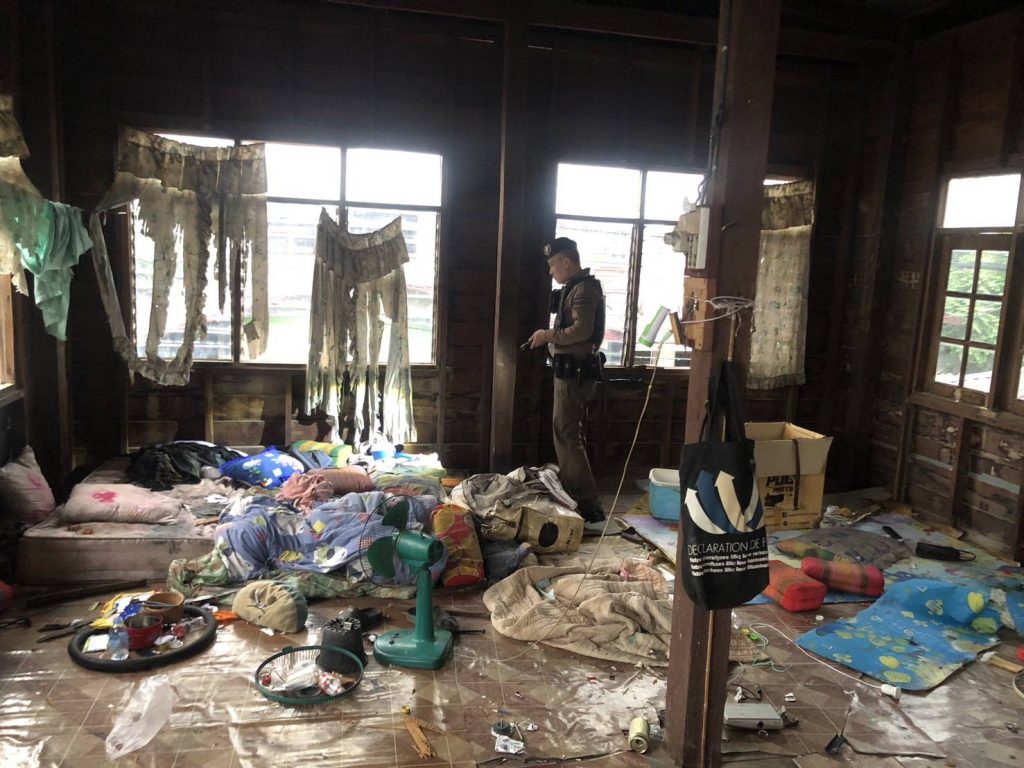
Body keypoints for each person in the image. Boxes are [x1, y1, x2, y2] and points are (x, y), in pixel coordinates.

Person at [528, 237, 606, 523]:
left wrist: (547, 335)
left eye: (553, 265)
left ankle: (586, 504)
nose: (551, 272)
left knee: (566, 434)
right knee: (568, 433)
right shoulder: (575, 288)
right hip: (569, 371)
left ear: (566, 261)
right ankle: (580, 498)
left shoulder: (583, 289)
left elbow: (582, 331)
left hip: (574, 372)